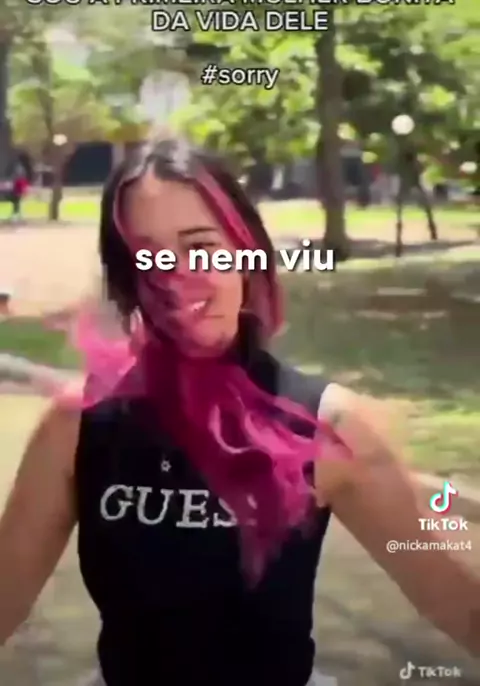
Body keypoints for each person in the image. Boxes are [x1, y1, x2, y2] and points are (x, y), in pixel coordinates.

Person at [0, 137, 479, 686]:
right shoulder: (78, 425)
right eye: (146, 254)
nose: (175, 275)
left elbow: (458, 604)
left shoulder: (328, 428)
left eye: (201, 246)